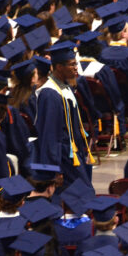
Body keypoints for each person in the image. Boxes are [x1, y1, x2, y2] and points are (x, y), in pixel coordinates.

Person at [34, 41, 95, 187]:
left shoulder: (65, 87)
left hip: (73, 153)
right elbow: (49, 135)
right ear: (59, 67)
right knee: (83, 196)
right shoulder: (50, 94)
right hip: (62, 158)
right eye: (72, 64)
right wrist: (54, 170)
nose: (76, 68)